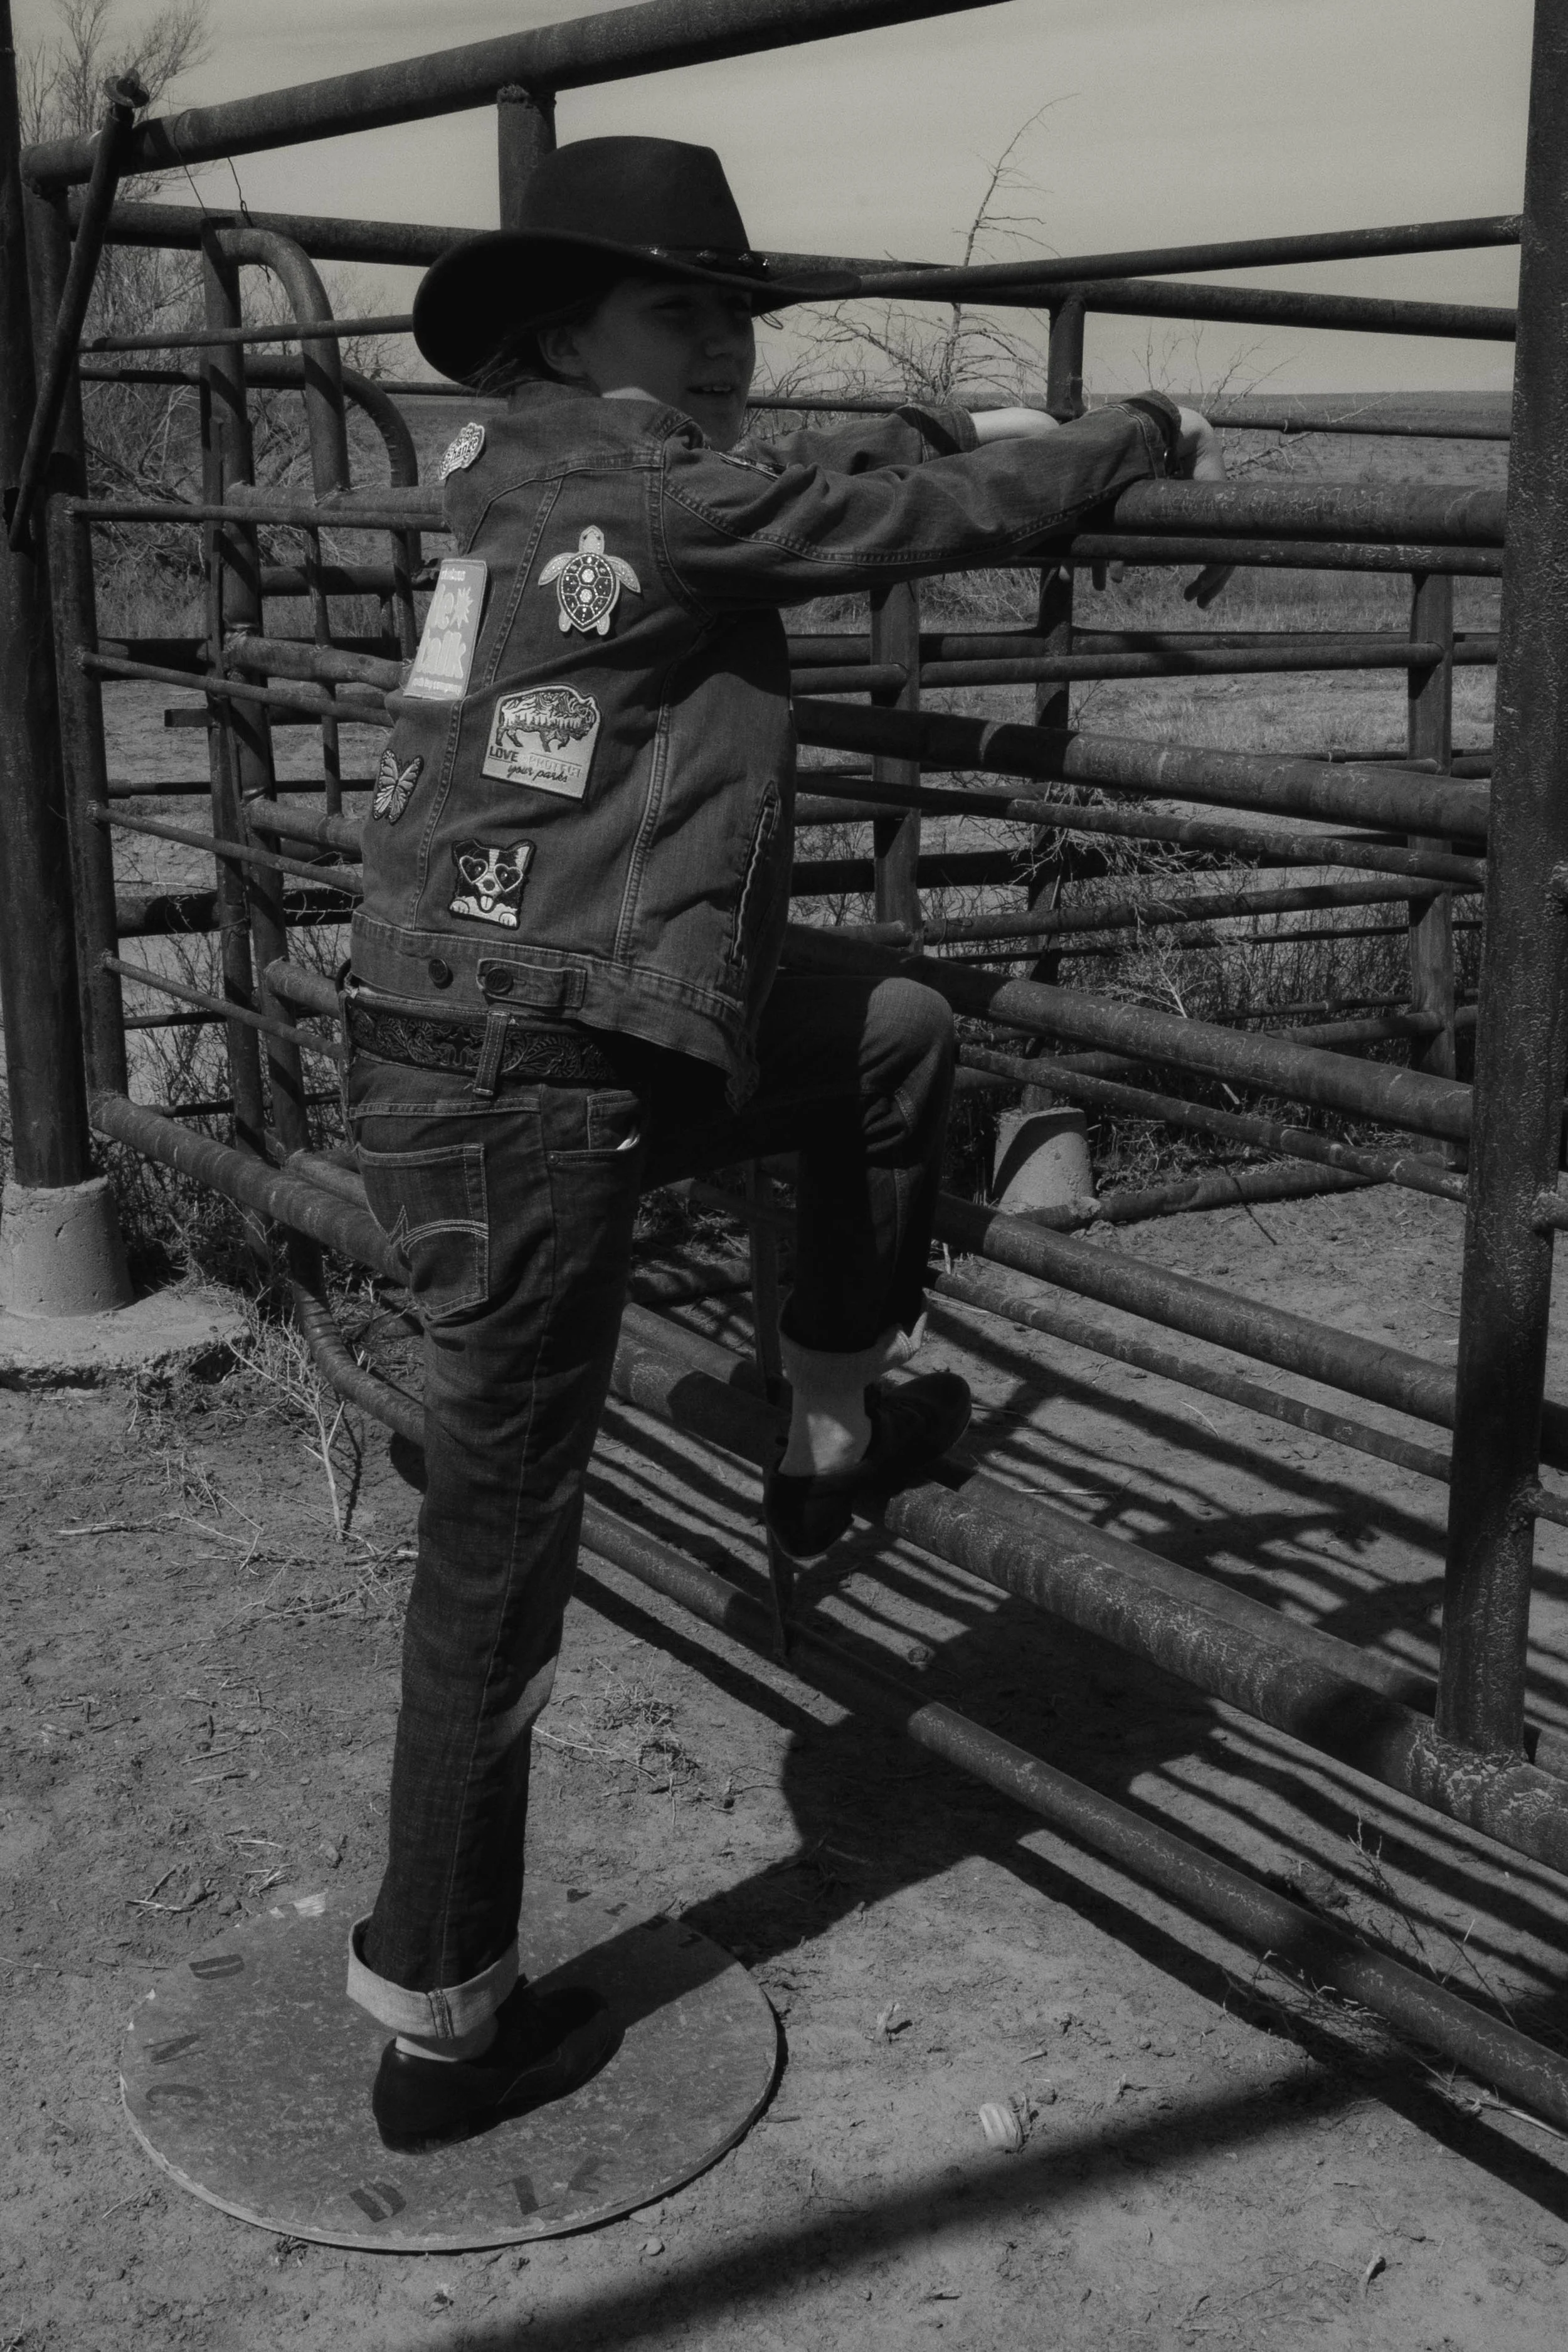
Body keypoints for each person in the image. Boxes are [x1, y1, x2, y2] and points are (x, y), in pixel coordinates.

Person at [343, 134, 1222, 2153]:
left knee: (887, 1032)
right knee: (500, 1546)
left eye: (737, 315)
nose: (726, 346)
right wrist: (1137, 433)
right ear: (565, 326)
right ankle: (441, 2017)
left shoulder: (528, 467)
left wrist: (935, 429)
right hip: (525, 1065)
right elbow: (897, 513)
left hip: (554, 1013)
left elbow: (799, 487)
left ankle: (829, 1421)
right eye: (683, 312)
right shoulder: (657, 490)